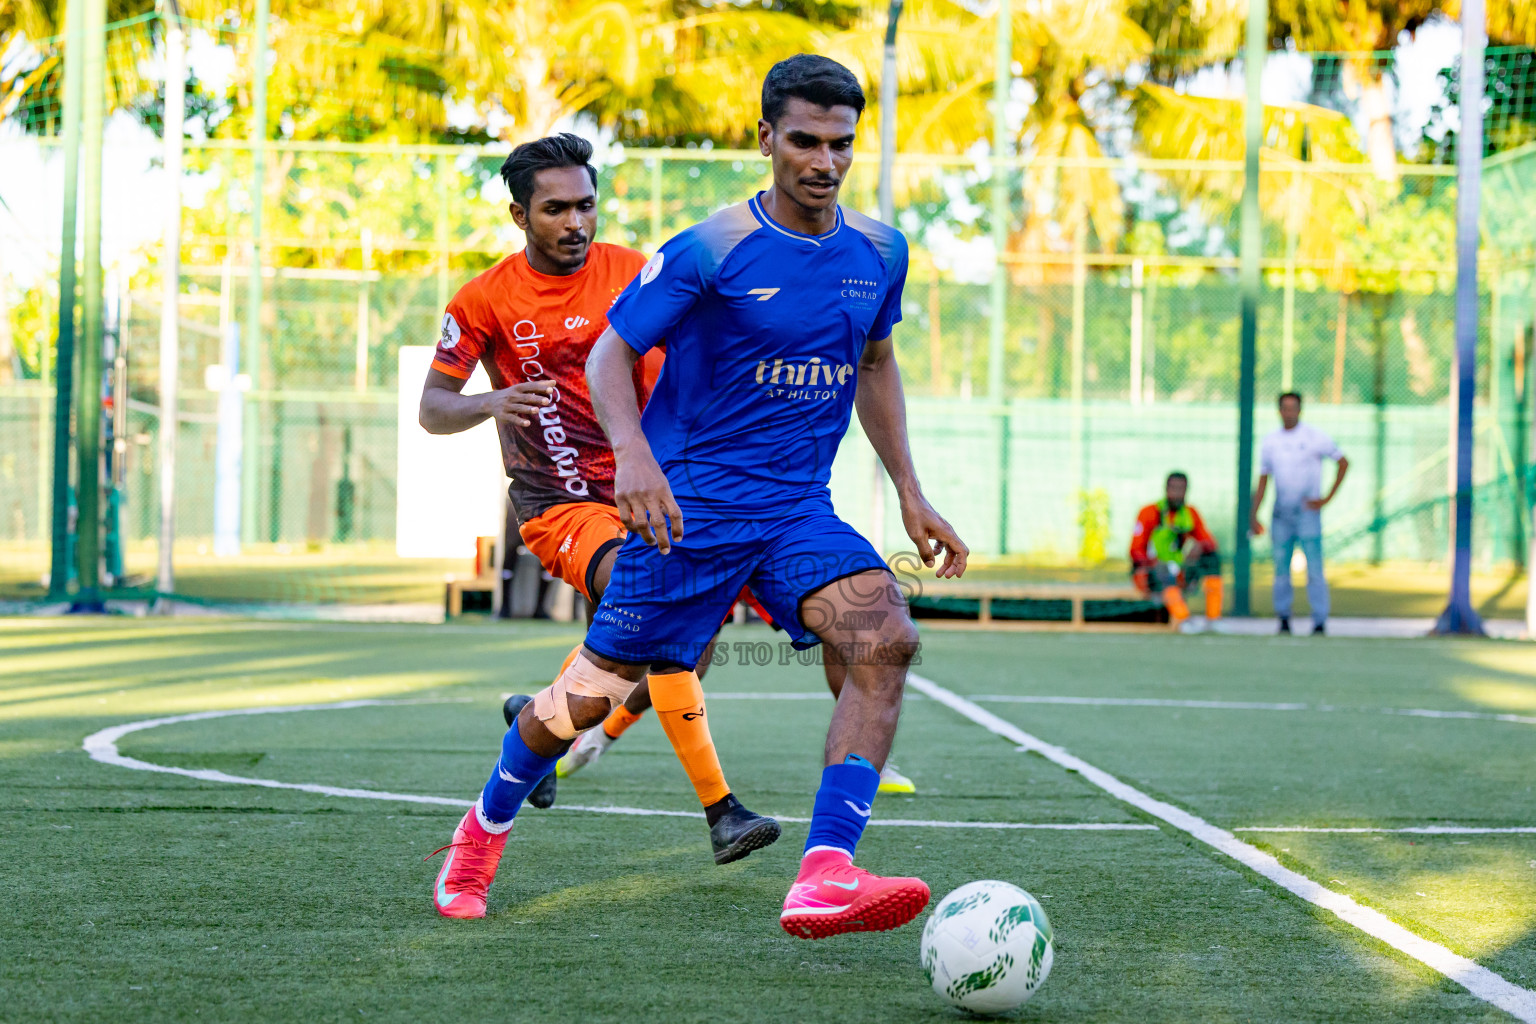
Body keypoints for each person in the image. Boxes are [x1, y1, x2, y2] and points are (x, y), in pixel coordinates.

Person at [429, 54, 968, 935]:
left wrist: (910, 491)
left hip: (797, 507)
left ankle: (824, 872)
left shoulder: (880, 251)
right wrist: (634, 457)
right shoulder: (707, 248)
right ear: (767, 139)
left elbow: (875, 362)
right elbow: (609, 353)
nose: (823, 162)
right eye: (803, 141)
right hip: (690, 515)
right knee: (580, 705)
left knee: (885, 640)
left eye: (840, 145)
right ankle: (481, 830)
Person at [418, 133, 779, 874]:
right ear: (520, 215)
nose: (576, 222)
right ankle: (722, 812)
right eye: (556, 209)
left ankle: (538, 718)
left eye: (586, 204)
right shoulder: (484, 299)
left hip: (656, 487)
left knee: (680, 650)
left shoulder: (634, 271)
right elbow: (432, 407)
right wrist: (493, 399)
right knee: (655, 600)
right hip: (559, 504)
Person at [1250, 392, 1349, 635]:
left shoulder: (1315, 436)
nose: (1289, 412)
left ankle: (1319, 620)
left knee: (1314, 568)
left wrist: (1326, 498)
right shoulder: (1270, 441)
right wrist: (1254, 513)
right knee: (1281, 569)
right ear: (1279, 410)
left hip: (1307, 513)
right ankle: (1283, 617)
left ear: (1300, 410)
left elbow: (1343, 462)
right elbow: (1263, 479)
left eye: (1293, 408)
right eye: (1285, 408)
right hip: (1281, 514)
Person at [1130, 472, 1222, 626]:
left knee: (1211, 558)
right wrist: (1154, 562)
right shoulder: (1149, 513)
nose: (1177, 494)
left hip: (1179, 570)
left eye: (1181, 489)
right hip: (1152, 573)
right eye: (1174, 489)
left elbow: (1209, 543)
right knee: (1163, 570)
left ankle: (1213, 619)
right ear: (1166, 489)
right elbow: (1135, 551)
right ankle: (1183, 619)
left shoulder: (1189, 514)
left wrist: (1199, 547)